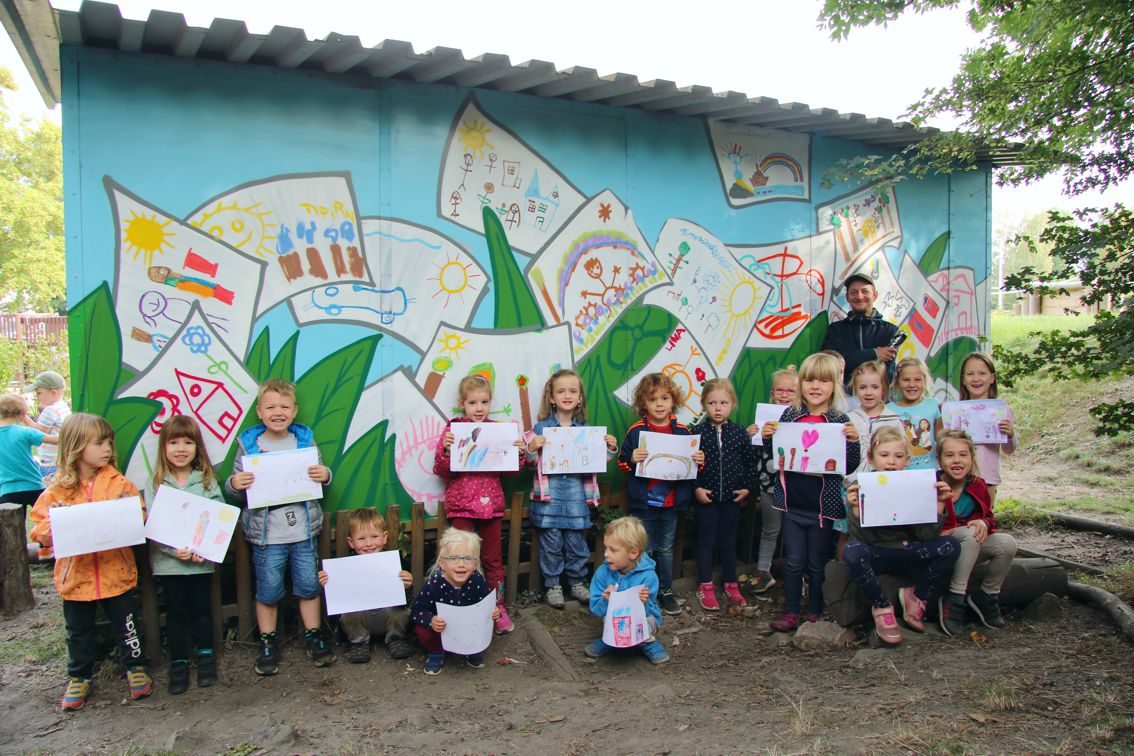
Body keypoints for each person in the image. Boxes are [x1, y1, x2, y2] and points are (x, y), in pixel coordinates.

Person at [28, 413, 152, 710]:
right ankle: (79, 676)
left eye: (109, 442)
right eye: (99, 443)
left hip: (116, 572)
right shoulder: (57, 490)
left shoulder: (118, 483)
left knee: (127, 624)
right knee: (78, 631)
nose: (107, 448)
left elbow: (141, 515)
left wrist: (129, 513)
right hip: (76, 578)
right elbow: (39, 531)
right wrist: (55, 521)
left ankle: (135, 667)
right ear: (75, 446)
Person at [226, 379, 335, 675]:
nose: (278, 412)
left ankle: (313, 636)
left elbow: (321, 477)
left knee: (309, 586)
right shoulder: (249, 446)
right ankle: (268, 641)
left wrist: (325, 475)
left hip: (303, 532)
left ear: (294, 411)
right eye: (271, 407)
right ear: (260, 412)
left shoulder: (304, 442)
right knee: (268, 590)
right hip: (267, 535)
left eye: (284, 407)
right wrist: (235, 483)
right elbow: (233, 489)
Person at [761, 353, 860, 632]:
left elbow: (849, 465)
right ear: (801, 384)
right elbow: (777, 456)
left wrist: (854, 442)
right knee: (793, 562)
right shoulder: (790, 415)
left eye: (823, 381)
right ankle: (792, 612)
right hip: (792, 503)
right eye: (810, 380)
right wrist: (768, 438)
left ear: (834, 385)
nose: (816, 386)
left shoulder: (840, 420)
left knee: (816, 563)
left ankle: (815, 611)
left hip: (823, 507)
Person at [843, 427, 960, 644]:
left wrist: (939, 504)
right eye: (884, 455)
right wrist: (856, 510)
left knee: (951, 545)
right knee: (851, 550)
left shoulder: (917, 485)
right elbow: (861, 539)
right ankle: (882, 606)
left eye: (898, 456)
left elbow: (926, 535)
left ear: (907, 460)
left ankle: (917, 597)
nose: (891, 462)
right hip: (878, 553)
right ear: (871, 457)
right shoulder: (861, 487)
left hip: (909, 551)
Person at [433, 374, 527, 634]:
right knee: (460, 559)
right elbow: (441, 471)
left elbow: (510, 472)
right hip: (461, 507)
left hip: (491, 508)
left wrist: (518, 454)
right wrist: (447, 451)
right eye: (473, 402)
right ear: (462, 403)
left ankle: (498, 608)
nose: (479, 408)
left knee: (493, 561)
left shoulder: (498, 431)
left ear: (490, 402)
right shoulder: (453, 430)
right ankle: (461, 608)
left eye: (484, 402)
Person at [144, 415, 223, 694]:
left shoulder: (207, 481)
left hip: (200, 564)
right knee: (176, 614)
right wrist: (172, 550)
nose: (181, 449)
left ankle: (206, 657)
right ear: (163, 447)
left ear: (197, 447)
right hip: (169, 565)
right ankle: (179, 663)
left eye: (188, 442)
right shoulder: (156, 484)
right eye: (174, 442)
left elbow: (219, 520)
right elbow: (153, 525)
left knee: (202, 611)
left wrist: (205, 549)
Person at [525, 369, 617, 609]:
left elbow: (596, 462)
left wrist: (609, 448)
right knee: (551, 546)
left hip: (576, 501)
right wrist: (532, 448)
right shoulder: (540, 429)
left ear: (579, 398)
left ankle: (577, 582)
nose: (567, 395)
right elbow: (529, 463)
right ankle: (553, 586)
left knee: (577, 545)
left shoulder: (586, 431)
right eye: (561, 391)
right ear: (551, 398)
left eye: (573, 391)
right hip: (549, 501)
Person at [617, 372, 705, 615]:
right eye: (652, 399)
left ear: (673, 401)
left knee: (665, 549)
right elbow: (622, 461)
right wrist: (632, 458)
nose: (659, 404)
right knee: (643, 549)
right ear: (643, 403)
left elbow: (693, 468)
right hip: (644, 503)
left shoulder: (683, 432)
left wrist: (699, 460)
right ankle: (643, 591)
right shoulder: (637, 431)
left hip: (671, 503)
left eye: (664, 398)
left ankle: (665, 590)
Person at [936, 430, 1018, 636]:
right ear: (939, 459)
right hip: (939, 547)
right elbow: (917, 526)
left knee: (1006, 543)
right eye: (950, 455)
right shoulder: (931, 485)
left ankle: (987, 595)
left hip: (968, 546)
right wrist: (942, 530)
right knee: (969, 534)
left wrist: (984, 522)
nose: (957, 460)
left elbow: (990, 518)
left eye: (963, 455)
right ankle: (954, 597)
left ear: (972, 458)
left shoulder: (978, 485)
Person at [690, 378, 757, 610]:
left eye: (723, 403)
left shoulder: (739, 433)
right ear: (704, 404)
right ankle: (705, 585)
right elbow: (687, 466)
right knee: (705, 542)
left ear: (732, 404)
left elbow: (750, 464)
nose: (718, 408)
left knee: (728, 542)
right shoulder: (696, 433)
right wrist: (696, 488)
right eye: (712, 403)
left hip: (731, 499)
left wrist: (747, 487)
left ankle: (731, 584)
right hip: (706, 499)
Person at [317, 508, 414, 662]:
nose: (369, 544)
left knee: (399, 612)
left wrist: (407, 586)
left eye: (374, 537)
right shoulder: (343, 567)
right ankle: (358, 643)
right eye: (361, 538)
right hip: (360, 619)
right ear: (351, 542)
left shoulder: (396, 563)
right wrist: (329, 583)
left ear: (384, 537)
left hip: (387, 617)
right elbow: (339, 603)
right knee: (348, 613)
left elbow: (407, 601)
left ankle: (395, 639)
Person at [409, 528, 500, 675]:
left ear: (475, 563)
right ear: (442, 563)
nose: (461, 564)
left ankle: (473, 650)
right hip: (442, 630)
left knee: (492, 618)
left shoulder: (477, 580)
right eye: (453, 558)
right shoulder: (434, 584)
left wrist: (494, 612)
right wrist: (431, 620)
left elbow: (486, 604)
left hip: (469, 627)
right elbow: (417, 610)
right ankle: (436, 653)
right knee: (423, 630)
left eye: (468, 558)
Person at [584, 516, 669, 664]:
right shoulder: (603, 572)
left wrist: (644, 602)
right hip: (616, 619)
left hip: (644, 619)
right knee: (610, 618)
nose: (606, 554)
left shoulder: (649, 577)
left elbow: (649, 610)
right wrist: (606, 601)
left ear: (633, 553)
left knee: (648, 621)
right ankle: (609, 640)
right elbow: (596, 608)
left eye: (613, 550)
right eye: (606, 548)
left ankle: (647, 642)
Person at [746, 366, 797, 594]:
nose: (784, 395)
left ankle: (795, 574)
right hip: (769, 483)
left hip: (796, 485)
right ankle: (763, 572)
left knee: (795, 531)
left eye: (790, 391)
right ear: (772, 393)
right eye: (780, 390)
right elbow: (754, 453)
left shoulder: (803, 418)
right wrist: (751, 435)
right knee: (770, 529)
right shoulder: (764, 419)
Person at [821, 273, 900, 388]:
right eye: (853, 292)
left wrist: (850, 358)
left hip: (877, 397)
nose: (859, 296)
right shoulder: (836, 330)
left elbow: (885, 372)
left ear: (875, 295)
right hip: (843, 396)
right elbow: (831, 364)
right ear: (847, 297)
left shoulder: (890, 331)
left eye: (865, 291)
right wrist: (874, 354)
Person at [957, 352, 1016, 504]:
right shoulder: (954, 412)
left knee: (984, 517)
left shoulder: (1002, 411)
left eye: (982, 373)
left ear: (992, 378)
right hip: (957, 478)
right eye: (970, 374)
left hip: (988, 479)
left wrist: (1010, 435)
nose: (976, 378)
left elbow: (1009, 450)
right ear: (963, 379)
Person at [0, 394, 57, 508]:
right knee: (47, 516)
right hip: (34, 486)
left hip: (7, 490)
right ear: (22, 415)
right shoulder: (25, 432)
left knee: (9, 519)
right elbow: (55, 440)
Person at [887, 357, 943, 470]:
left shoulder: (934, 405)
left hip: (931, 473)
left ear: (925, 381)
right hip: (899, 473)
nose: (912, 384)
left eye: (917, 379)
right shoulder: (888, 410)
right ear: (897, 382)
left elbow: (942, 440)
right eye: (906, 380)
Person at [847, 360, 904, 468]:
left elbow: (902, 454)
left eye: (875, 387)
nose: (868, 393)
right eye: (863, 387)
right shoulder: (849, 419)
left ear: (884, 389)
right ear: (855, 389)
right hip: (854, 478)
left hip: (885, 477)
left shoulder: (894, 421)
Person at [24, 370, 70, 480]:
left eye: (39, 393)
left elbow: (39, 432)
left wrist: (24, 417)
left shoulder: (50, 410)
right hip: (60, 461)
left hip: (49, 464)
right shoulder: (62, 407)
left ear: (53, 393)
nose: (37, 397)